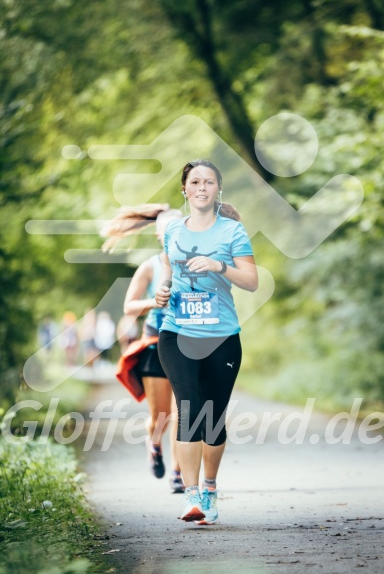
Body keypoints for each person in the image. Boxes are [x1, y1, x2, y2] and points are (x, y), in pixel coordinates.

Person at [155, 159, 258, 524]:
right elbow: (167, 271)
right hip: (177, 333)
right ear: (184, 189)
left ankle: (211, 490)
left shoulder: (232, 232)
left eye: (209, 182)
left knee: (213, 419)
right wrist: (162, 293)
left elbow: (250, 281)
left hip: (222, 337)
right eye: (195, 182)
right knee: (189, 408)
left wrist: (219, 267)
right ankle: (192, 496)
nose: (201, 187)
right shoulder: (172, 230)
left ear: (218, 189)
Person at [102, 204, 184, 493]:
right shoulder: (149, 267)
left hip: (188, 343)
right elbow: (129, 306)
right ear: (159, 236)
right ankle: (154, 444)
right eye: (169, 232)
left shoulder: (196, 262)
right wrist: (153, 302)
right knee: (160, 416)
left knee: (182, 413)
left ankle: (178, 473)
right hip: (155, 344)